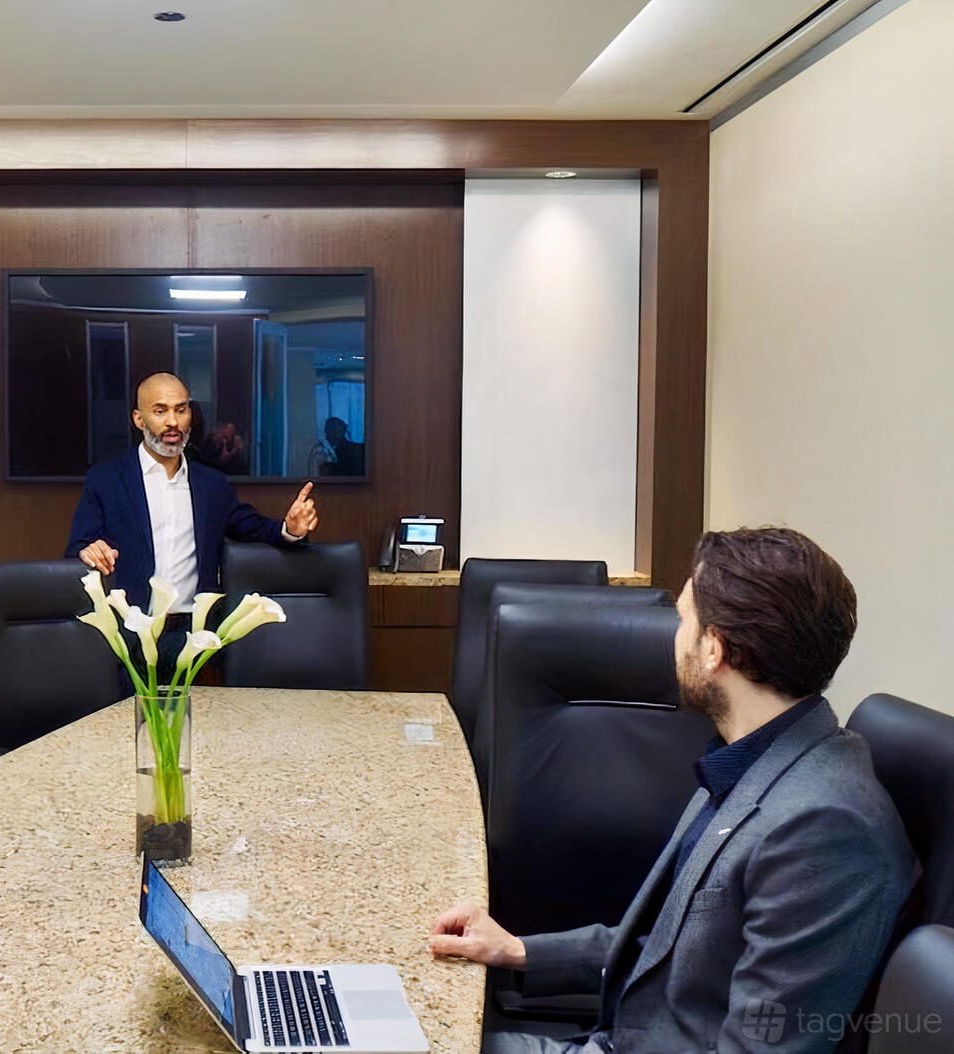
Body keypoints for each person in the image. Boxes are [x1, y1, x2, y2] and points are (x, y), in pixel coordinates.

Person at [430, 527, 915, 1054]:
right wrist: (519, 950)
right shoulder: (758, 758)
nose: (673, 637)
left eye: (683, 619)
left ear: (714, 649)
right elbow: (674, 949)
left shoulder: (823, 830)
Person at [67, 372, 318, 619]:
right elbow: (77, 548)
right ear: (139, 419)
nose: (173, 422)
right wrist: (87, 550)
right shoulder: (106, 480)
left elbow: (255, 528)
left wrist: (292, 529)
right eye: (160, 411)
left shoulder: (212, 485)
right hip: (129, 632)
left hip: (196, 633)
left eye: (181, 409)